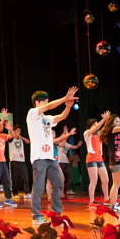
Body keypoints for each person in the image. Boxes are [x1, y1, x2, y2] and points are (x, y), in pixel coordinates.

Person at [28, 87, 78, 225]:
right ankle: (36, 217)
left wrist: (68, 106)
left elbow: (61, 117)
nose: (47, 103)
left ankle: (56, 214)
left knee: (58, 183)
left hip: (50, 158)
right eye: (44, 101)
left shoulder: (46, 118)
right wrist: (64, 98)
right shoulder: (32, 113)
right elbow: (50, 106)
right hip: (39, 157)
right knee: (38, 188)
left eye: (47, 101)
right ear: (37, 102)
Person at [84, 112, 111, 207]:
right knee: (94, 181)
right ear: (90, 126)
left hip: (100, 159)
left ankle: (106, 199)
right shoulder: (87, 133)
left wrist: (107, 119)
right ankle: (91, 201)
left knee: (105, 180)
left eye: (96, 124)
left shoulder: (99, 134)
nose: (96, 126)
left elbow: (104, 128)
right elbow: (97, 128)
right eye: (94, 124)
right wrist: (103, 119)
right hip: (91, 159)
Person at [57, 128, 82, 195]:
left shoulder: (67, 144)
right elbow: (62, 138)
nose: (66, 136)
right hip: (60, 162)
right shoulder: (58, 143)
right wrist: (66, 132)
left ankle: (69, 189)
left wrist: (78, 145)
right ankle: (58, 190)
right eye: (64, 135)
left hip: (66, 162)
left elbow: (74, 147)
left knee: (71, 175)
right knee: (59, 177)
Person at [9, 124, 31, 200]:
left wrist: (21, 137)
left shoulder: (21, 140)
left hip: (22, 161)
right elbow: (10, 137)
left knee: (26, 177)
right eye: (17, 131)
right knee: (15, 178)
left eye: (20, 131)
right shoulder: (11, 139)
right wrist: (10, 130)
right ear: (14, 131)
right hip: (14, 160)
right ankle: (15, 193)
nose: (19, 132)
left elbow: (28, 141)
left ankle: (27, 193)